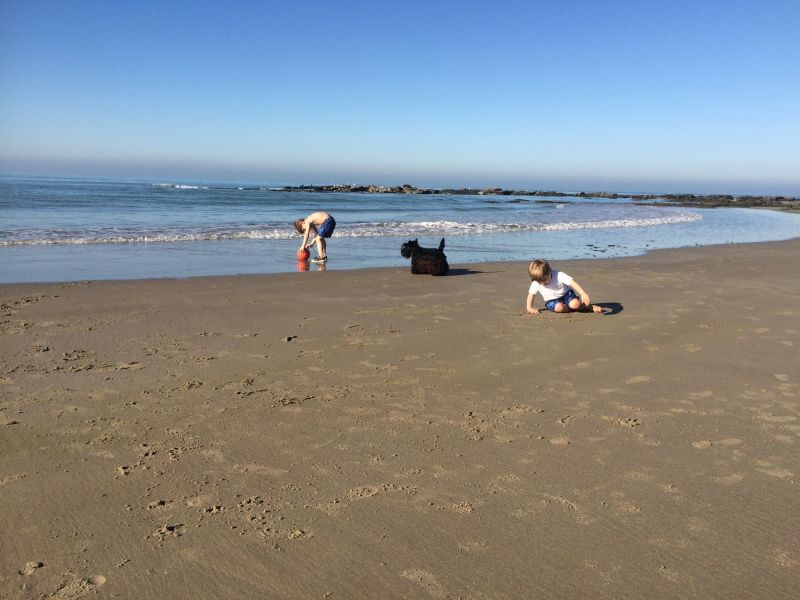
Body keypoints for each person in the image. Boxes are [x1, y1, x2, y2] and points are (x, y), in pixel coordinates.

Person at [526, 259, 603, 315]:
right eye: (539, 281)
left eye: (545, 280)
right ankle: (575, 308)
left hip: (566, 294)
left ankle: (586, 306)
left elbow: (572, 283)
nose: (543, 283)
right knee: (559, 308)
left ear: (550, 271)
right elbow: (531, 295)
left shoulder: (558, 275)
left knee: (575, 304)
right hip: (551, 300)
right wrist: (530, 308)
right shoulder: (536, 282)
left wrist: (583, 294)